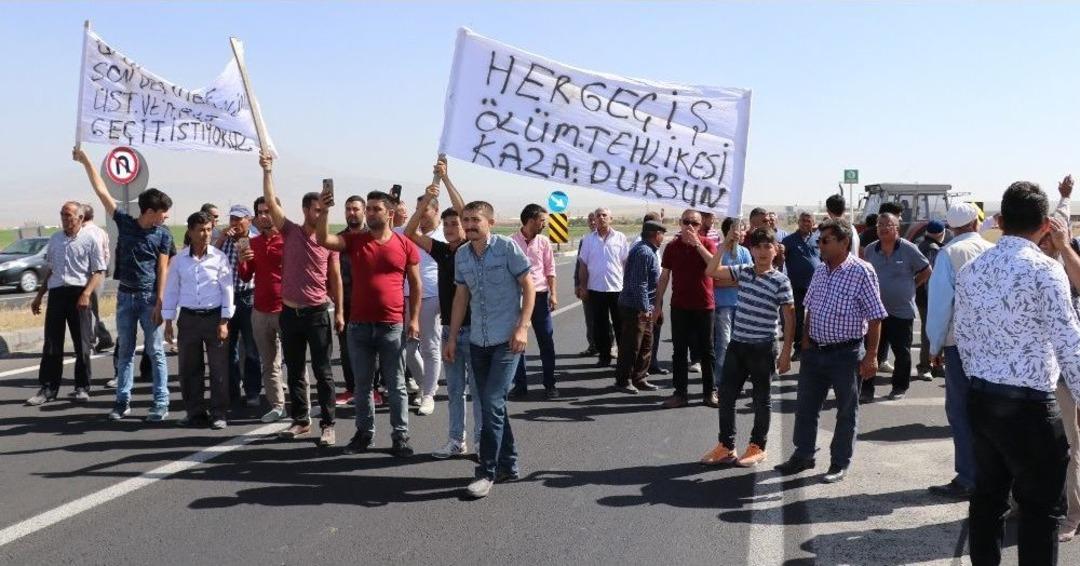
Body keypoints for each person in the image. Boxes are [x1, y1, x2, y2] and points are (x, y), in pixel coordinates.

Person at [953, 181, 1080, 565]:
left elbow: (964, 335)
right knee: (1041, 511)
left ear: (1002, 220)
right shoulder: (1045, 269)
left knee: (987, 501)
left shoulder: (973, 268)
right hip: (1030, 408)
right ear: (1045, 224)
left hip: (982, 398)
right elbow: (1069, 341)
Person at [775, 218, 886, 484]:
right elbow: (810, 306)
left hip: (846, 354)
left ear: (844, 242)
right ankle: (803, 455)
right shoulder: (821, 270)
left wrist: (871, 356)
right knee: (805, 407)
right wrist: (805, 342)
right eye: (818, 241)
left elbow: (875, 316)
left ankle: (839, 463)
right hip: (815, 352)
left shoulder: (862, 271)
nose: (820, 246)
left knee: (846, 410)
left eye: (825, 241)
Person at [74, 147, 173, 422]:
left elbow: (162, 268)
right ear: (150, 211)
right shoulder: (125, 223)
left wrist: (160, 302)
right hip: (125, 297)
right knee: (125, 352)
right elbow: (102, 192)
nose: (166, 217)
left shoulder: (162, 235)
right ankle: (122, 401)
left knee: (155, 352)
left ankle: (161, 402)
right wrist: (86, 162)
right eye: (163, 212)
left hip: (149, 299)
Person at [444, 200, 535, 499]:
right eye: (465, 220)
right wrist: (453, 337)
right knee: (493, 405)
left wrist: (522, 326)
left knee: (492, 402)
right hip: (477, 343)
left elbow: (528, 285)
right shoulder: (461, 255)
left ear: (490, 223)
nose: (469, 225)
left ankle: (486, 471)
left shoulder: (506, 248)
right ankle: (510, 465)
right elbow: (461, 297)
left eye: (475, 221)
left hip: (506, 341)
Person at [320, 189, 420, 457]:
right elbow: (322, 239)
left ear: (389, 213)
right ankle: (364, 434)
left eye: (377, 209)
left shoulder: (404, 244)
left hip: (392, 326)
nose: (371, 212)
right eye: (370, 208)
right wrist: (325, 210)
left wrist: (415, 320)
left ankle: (400, 436)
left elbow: (416, 285)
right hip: (359, 326)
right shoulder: (354, 240)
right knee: (362, 386)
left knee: (396, 385)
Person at [259, 152, 343, 448]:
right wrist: (267, 171)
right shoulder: (290, 231)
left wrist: (340, 312)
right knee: (294, 369)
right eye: (316, 209)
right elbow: (270, 202)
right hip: (289, 313)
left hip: (317, 313)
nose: (320, 213)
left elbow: (335, 278)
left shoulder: (328, 241)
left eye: (324, 209)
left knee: (323, 371)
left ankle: (329, 424)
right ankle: (301, 420)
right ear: (306, 209)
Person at [404, 160, 481, 459]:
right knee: (456, 392)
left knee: (477, 393)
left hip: (475, 332)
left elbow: (463, 210)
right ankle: (455, 441)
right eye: (446, 224)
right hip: (450, 330)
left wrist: (447, 181)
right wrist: (424, 205)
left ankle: (479, 442)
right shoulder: (440, 250)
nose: (450, 228)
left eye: (456, 224)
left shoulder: (470, 248)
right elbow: (409, 233)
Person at [701, 226, 794, 467]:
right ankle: (726, 446)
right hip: (738, 345)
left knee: (761, 399)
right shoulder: (743, 271)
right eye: (758, 247)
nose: (762, 252)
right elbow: (711, 270)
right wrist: (725, 244)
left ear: (775, 250)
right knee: (726, 396)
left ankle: (757, 446)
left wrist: (786, 353)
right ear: (750, 250)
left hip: (763, 348)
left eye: (767, 247)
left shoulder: (781, 281)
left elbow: (790, 318)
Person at [925, 202, 993, 501]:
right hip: (993, 346)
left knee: (961, 411)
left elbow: (940, 305)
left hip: (959, 344)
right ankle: (991, 475)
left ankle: (967, 477)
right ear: (976, 223)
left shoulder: (949, 253)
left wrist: (934, 344)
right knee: (989, 412)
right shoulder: (991, 250)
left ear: (951, 227)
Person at [26, 202, 105, 406]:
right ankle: (48, 388)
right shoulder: (55, 239)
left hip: (79, 292)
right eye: (62, 215)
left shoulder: (90, 240)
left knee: (82, 344)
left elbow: (98, 271)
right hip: (57, 294)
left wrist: (86, 293)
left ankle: (81, 386)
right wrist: (39, 296)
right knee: (52, 343)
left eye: (69, 215)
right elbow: (51, 269)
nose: (65, 218)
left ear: (80, 218)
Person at [163, 211, 234, 429]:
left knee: (219, 368)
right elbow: (172, 290)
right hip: (188, 319)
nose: (205, 234)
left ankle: (219, 413)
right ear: (190, 232)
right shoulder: (179, 261)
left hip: (214, 318)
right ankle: (195, 412)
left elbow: (227, 290)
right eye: (201, 230)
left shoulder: (219, 258)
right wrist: (168, 321)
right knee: (189, 368)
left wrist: (224, 321)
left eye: (209, 230)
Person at [861, 212, 931, 402]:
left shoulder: (909, 249)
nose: (883, 228)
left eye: (888, 225)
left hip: (901, 311)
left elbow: (926, 270)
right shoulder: (869, 250)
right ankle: (866, 388)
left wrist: (912, 286)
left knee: (902, 352)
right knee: (871, 350)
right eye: (880, 225)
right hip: (875, 312)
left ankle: (899, 387)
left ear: (896, 228)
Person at [237, 195, 293, 423]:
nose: (263, 216)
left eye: (267, 211)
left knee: (295, 362)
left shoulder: (289, 240)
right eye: (259, 213)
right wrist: (242, 260)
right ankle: (277, 406)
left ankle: (301, 408)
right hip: (260, 311)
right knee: (269, 363)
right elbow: (245, 275)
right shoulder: (253, 243)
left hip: (286, 309)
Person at [655, 209, 717, 408]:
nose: (690, 226)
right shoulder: (672, 247)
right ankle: (680, 394)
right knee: (679, 351)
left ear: (701, 226)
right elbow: (664, 277)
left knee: (707, 351)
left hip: (704, 305)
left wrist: (697, 244)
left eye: (695, 223)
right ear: (680, 223)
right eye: (686, 222)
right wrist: (658, 304)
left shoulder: (707, 243)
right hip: (680, 306)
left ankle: (710, 393)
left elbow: (714, 267)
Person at [399, 188, 444, 416]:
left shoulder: (445, 234)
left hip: (432, 297)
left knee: (430, 347)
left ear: (436, 210)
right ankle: (428, 384)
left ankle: (428, 395)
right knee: (408, 348)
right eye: (416, 210)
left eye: (424, 209)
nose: (419, 214)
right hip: (406, 297)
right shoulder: (407, 232)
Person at [214, 204, 262, 407]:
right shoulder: (224, 239)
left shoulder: (255, 238)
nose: (235, 223)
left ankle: (252, 392)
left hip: (247, 296)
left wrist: (246, 245)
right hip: (226, 297)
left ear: (249, 219)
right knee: (227, 347)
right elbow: (211, 256)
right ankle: (232, 391)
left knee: (251, 348)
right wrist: (222, 238)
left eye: (239, 219)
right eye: (232, 218)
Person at [510, 204, 559, 399]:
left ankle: (550, 384)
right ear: (531, 220)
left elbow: (550, 270)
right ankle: (520, 386)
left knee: (546, 341)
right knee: (517, 342)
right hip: (517, 299)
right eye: (542, 220)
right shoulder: (511, 242)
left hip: (539, 297)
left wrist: (553, 294)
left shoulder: (544, 242)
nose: (544, 224)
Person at [614, 220, 666, 393]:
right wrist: (645, 309)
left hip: (645, 307)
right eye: (661, 234)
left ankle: (639, 378)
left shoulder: (649, 250)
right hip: (635, 308)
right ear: (655, 234)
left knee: (645, 344)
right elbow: (639, 284)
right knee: (631, 346)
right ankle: (623, 380)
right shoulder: (643, 252)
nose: (663, 238)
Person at [576, 208, 629, 367]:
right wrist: (583, 287)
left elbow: (626, 264)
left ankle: (623, 357)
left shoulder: (620, 238)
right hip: (596, 290)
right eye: (598, 215)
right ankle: (604, 357)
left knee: (621, 325)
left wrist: (628, 287)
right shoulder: (588, 239)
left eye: (604, 215)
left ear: (610, 219)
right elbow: (583, 265)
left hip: (617, 290)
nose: (601, 218)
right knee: (600, 326)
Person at [333, 194, 367, 408]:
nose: (351, 213)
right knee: (346, 348)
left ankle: (372, 389)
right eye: (348, 209)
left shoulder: (372, 236)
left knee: (370, 349)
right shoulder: (338, 240)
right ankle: (351, 388)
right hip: (344, 303)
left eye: (355, 209)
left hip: (368, 302)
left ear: (364, 211)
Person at [782, 212, 820, 362]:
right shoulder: (788, 240)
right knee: (797, 318)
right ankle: (799, 348)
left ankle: (814, 346)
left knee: (816, 316)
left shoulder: (819, 239)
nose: (805, 223)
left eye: (808, 221)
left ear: (813, 223)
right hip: (796, 285)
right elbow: (780, 260)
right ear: (798, 222)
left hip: (816, 285)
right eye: (803, 221)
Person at [80, 203, 114, 352]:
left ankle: (89, 342)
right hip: (100, 274)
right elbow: (107, 254)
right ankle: (104, 337)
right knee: (93, 308)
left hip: (87, 275)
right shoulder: (101, 232)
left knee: (88, 308)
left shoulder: (83, 232)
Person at [915, 220, 946, 380]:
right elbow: (933, 277)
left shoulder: (920, 245)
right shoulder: (935, 249)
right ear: (941, 234)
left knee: (931, 333)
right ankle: (927, 366)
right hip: (931, 298)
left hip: (922, 297)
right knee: (932, 333)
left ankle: (934, 365)